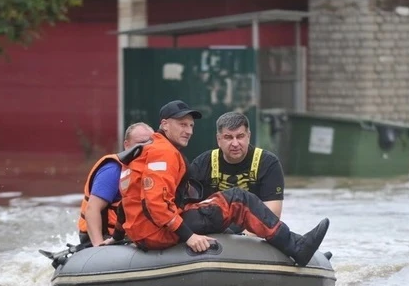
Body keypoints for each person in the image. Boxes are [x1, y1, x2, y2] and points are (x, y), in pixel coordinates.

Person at [118, 100, 329, 267]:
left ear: (248, 136)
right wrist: (190, 237)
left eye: (191, 125)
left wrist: (117, 236)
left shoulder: (146, 151)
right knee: (238, 198)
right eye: (182, 125)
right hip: (158, 232)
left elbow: (124, 203)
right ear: (164, 124)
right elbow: (156, 204)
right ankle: (297, 247)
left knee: (223, 209)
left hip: (145, 231)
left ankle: (297, 245)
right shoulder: (164, 154)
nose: (189, 131)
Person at [187, 111, 285, 218]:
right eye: (228, 137)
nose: (235, 144)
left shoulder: (268, 163)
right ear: (218, 140)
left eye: (240, 136)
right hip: (212, 228)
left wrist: (245, 234)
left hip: (253, 230)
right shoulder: (202, 163)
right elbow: (187, 206)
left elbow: (273, 214)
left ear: (249, 136)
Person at [77, 122, 153, 247]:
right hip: (104, 237)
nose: (145, 147)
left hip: (128, 235)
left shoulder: (152, 169)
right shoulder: (113, 170)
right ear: (127, 145)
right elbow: (92, 209)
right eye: (140, 143)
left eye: (150, 143)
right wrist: (98, 245)